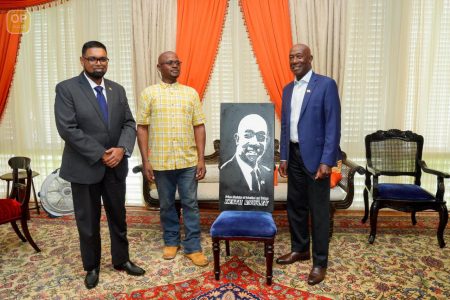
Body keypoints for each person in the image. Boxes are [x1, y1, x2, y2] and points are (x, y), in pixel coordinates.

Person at [54, 41, 145, 289]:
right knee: (88, 221)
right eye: (93, 59)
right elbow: (68, 129)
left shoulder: (118, 89)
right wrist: (101, 153)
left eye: (103, 59)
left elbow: (129, 123)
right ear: (82, 60)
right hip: (84, 167)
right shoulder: (66, 89)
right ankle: (91, 266)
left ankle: (121, 260)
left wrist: (122, 149)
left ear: (107, 61)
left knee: (119, 216)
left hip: (116, 166)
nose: (98, 63)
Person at [276, 44, 341, 285]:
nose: (295, 60)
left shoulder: (325, 85)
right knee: (296, 206)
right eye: (291, 56)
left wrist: (327, 160)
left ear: (310, 58)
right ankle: (300, 249)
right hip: (293, 156)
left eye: (299, 56)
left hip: (316, 160)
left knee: (319, 211)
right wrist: (283, 157)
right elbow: (285, 127)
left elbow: (333, 126)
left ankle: (320, 262)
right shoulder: (287, 89)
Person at [136, 51, 208, 267]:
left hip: (187, 160)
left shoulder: (191, 93)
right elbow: (142, 127)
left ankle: (193, 247)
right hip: (161, 161)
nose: (175, 65)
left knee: (191, 204)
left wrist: (201, 159)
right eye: (170, 63)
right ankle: (171, 241)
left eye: (178, 62)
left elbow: (199, 126)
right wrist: (146, 161)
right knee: (166, 204)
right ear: (159, 67)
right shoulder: (148, 94)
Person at [220, 114, 272, 195]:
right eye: (248, 135)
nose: (254, 143)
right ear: (237, 139)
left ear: (266, 141)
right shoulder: (225, 172)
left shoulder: (268, 173)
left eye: (261, 137)